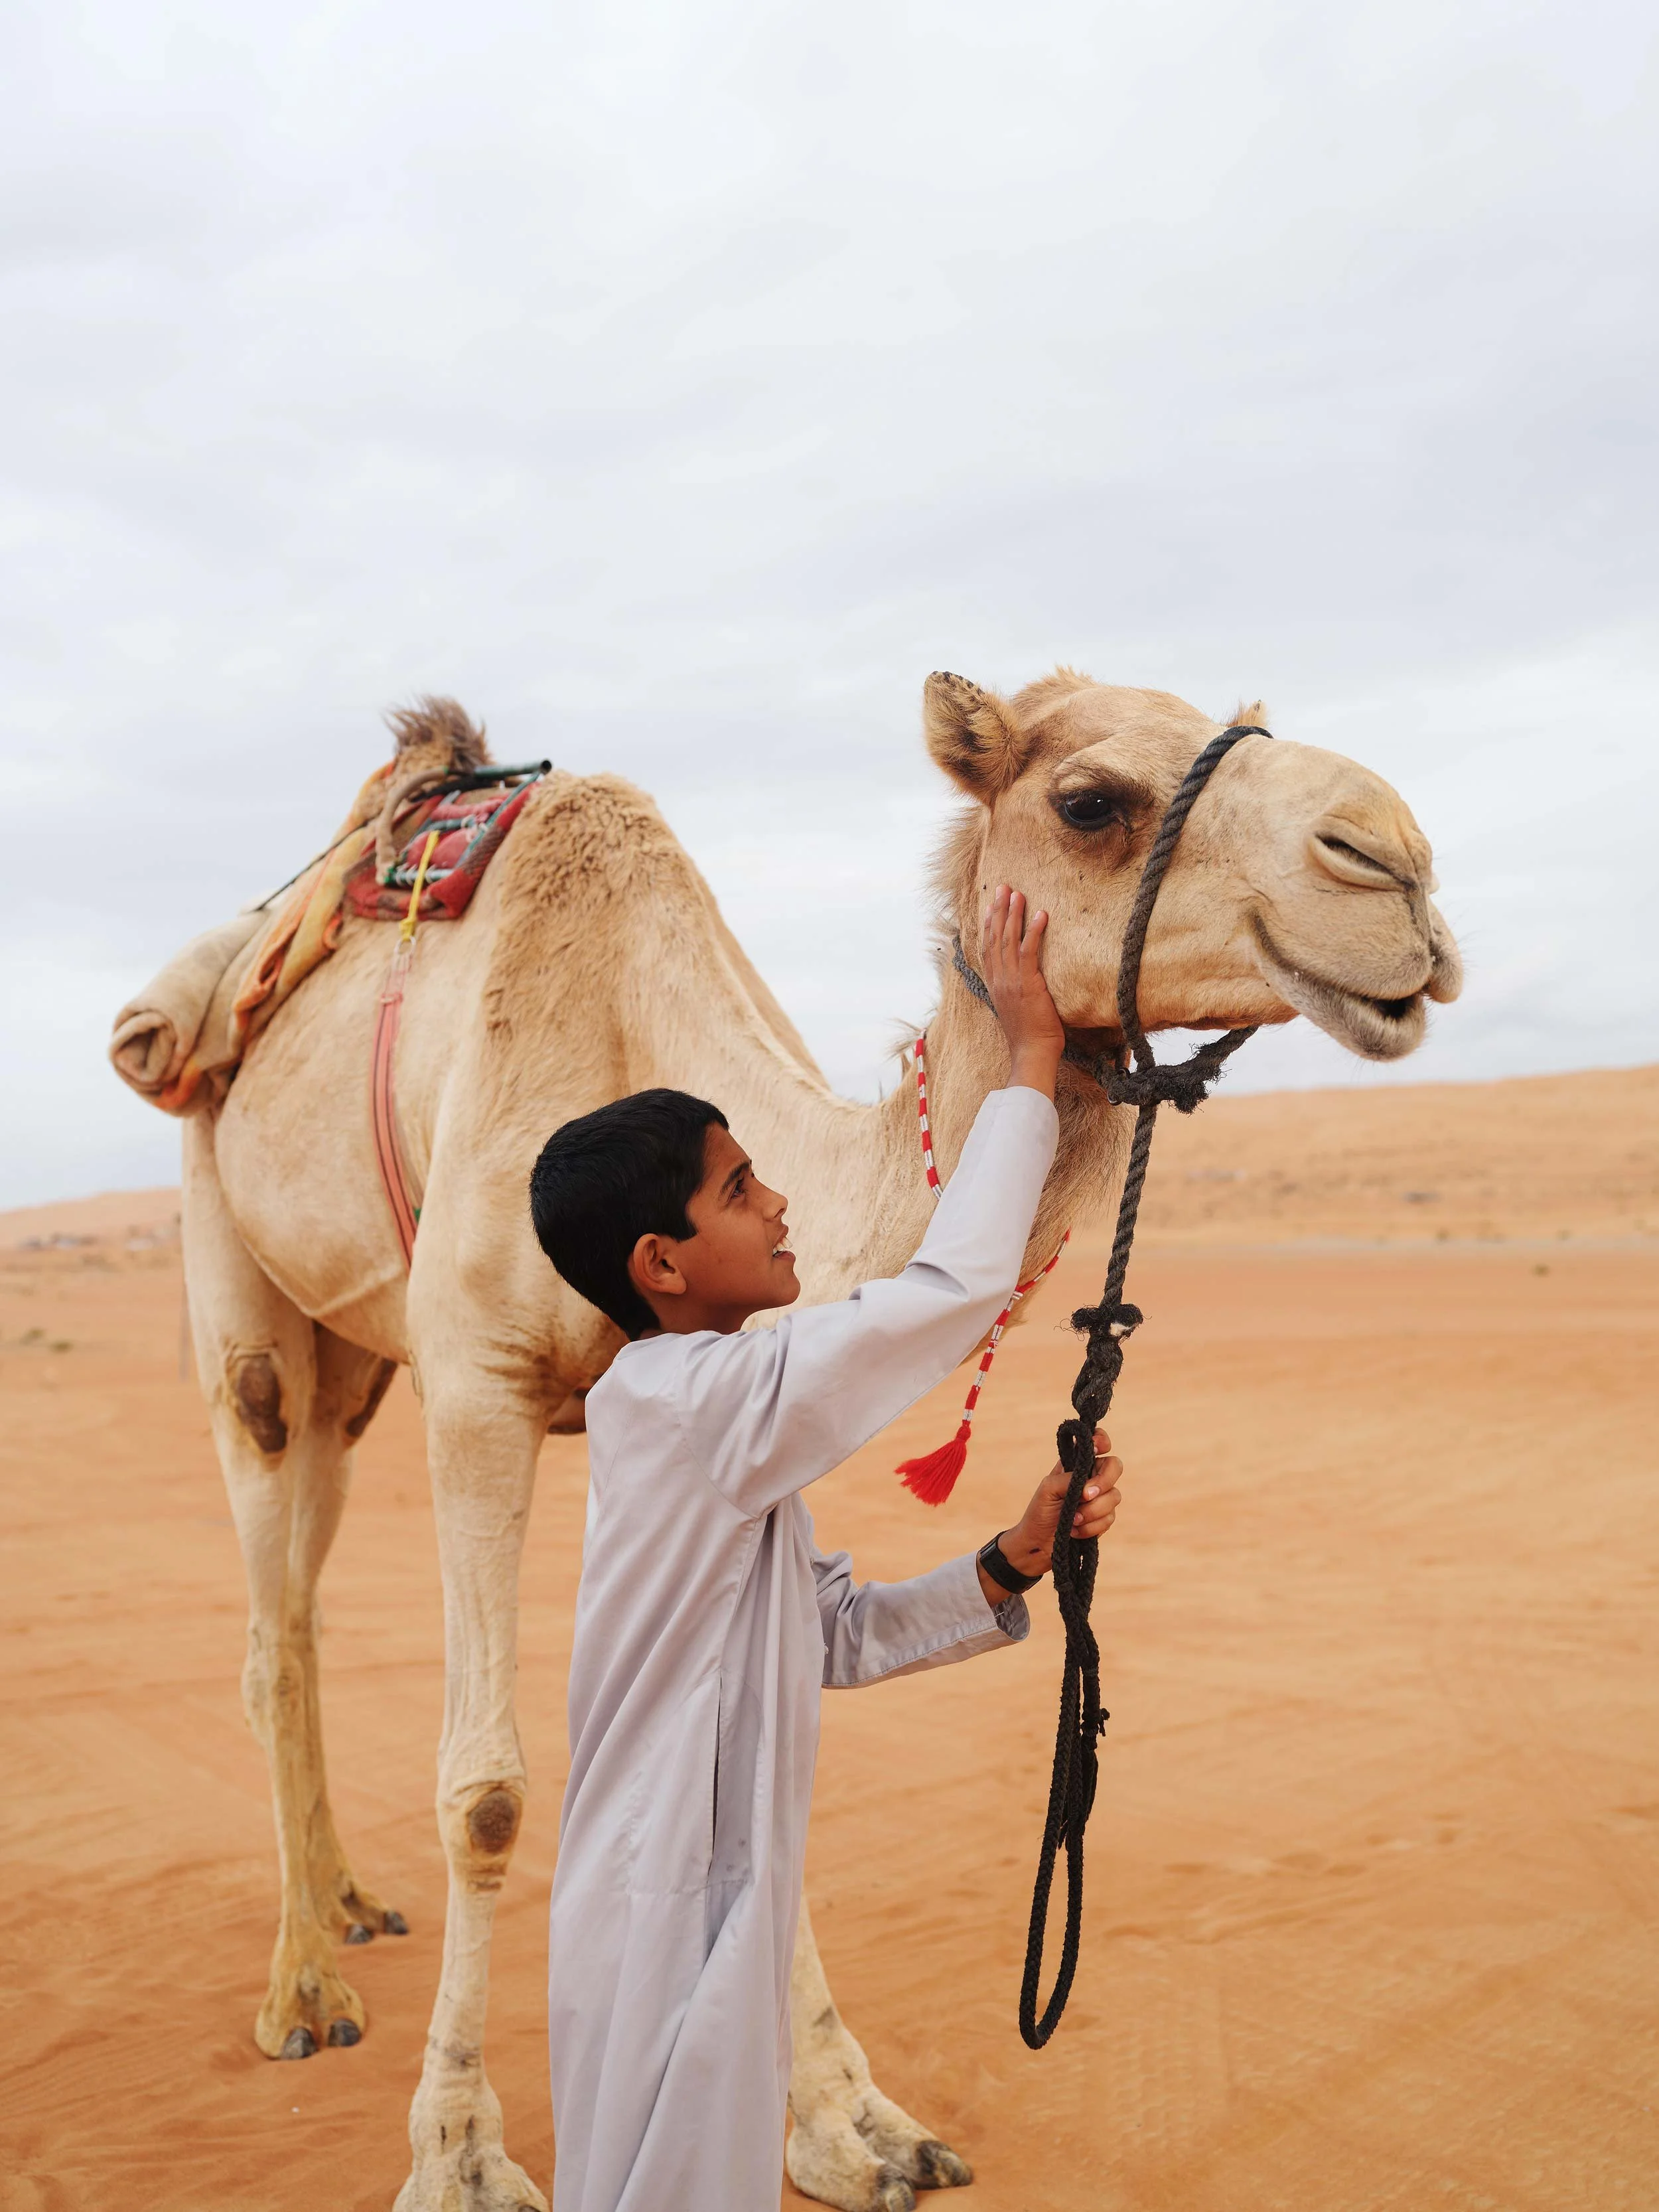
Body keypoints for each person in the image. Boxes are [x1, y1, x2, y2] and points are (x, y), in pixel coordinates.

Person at [527, 886, 1123, 2212]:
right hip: (662, 1904)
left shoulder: (710, 1416)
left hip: (705, 1895)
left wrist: (1011, 1559)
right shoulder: (699, 1408)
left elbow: (827, 1634)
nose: (777, 1201)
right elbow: (945, 1293)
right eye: (738, 1188)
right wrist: (1028, 1057)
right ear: (660, 1263)